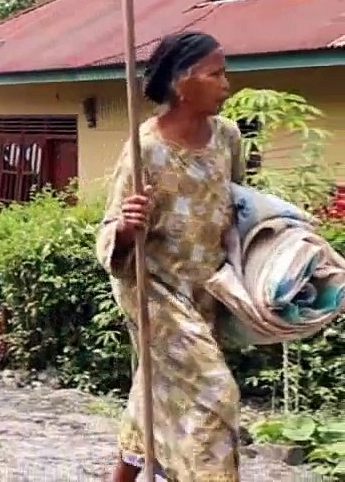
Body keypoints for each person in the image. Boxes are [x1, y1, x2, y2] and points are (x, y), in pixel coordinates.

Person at [97, 31, 246, 482]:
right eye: (215, 73)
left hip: (205, 289)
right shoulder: (146, 148)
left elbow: (238, 207)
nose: (226, 84)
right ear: (183, 83)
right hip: (152, 291)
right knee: (216, 393)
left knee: (153, 389)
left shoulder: (228, 138)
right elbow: (110, 233)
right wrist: (126, 226)